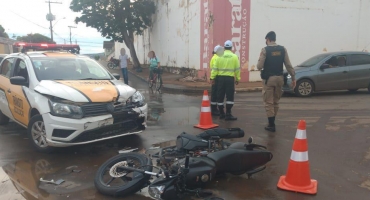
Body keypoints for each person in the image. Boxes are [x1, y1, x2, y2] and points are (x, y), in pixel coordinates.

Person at [257, 31, 296, 132]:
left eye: (266, 40)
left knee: (268, 102)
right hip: (280, 79)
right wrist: (293, 78)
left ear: (268, 39)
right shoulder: (283, 49)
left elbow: (259, 66)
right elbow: (288, 65)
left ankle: (271, 124)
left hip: (269, 79)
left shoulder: (265, 50)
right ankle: (273, 121)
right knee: (276, 101)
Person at [211, 40, 240, 120]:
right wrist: (237, 78)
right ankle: (228, 113)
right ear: (231, 47)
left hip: (220, 79)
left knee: (220, 96)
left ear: (224, 47)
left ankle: (221, 113)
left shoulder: (219, 56)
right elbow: (237, 69)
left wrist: (212, 78)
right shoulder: (234, 57)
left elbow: (215, 69)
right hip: (230, 79)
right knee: (229, 96)